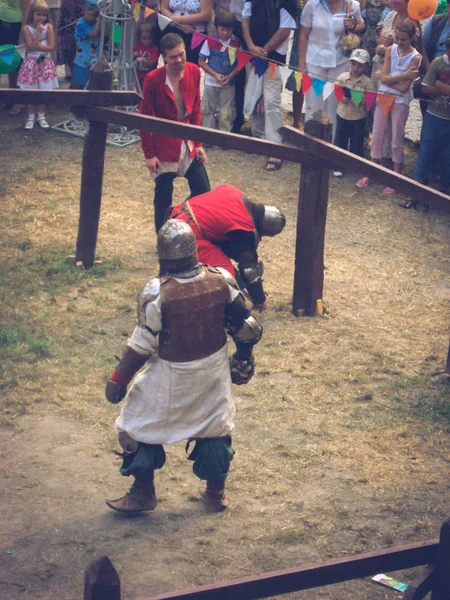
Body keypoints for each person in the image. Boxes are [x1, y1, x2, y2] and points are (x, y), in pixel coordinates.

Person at [105, 219, 262, 513]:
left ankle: (142, 493)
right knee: (215, 426)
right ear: (194, 251)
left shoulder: (158, 292)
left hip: (171, 376)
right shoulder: (221, 279)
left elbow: (143, 344)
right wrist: (243, 358)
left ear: (163, 256)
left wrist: (118, 379)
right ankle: (216, 493)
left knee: (134, 425)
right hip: (213, 374)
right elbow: (246, 325)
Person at [169, 184, 286, 310]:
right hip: (190, 232)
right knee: (226, 277)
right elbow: (248, 270)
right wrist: (259, 300)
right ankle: (225, 312)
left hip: (177, 214)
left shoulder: (235, 192)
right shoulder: (245, 228)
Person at [140, 33, 210, 233]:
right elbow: (145, 119)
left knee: (203, 191)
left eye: (181, 54)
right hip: (163, 143)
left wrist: (198, 144)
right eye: (173, 57)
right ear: (164, 57)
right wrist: (149, 154)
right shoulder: (153, 79)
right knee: (162, 195)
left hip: (187, 140)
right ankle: (163, 239)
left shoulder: (194, 71)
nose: (179, 60)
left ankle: (177, 216)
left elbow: (196, 109)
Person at [357, 19, 421, 193]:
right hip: (384, 96)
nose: (400, 43)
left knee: (396, 138)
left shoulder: (415, 57)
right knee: (377, 134)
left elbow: (404, 88)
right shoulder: (391, 49)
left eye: (404, 40)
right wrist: (401, 76)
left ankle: (395, 176)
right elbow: (383, 77)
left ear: (412, 38)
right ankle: (371, 171)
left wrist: (388, 80)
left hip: (400, 101)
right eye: (398, 38)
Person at [241, 0, 297, 171]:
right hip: (251, 52)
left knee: (271, 101)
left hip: (273, 57)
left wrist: (263, 51)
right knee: (254, 95)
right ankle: (258, 137)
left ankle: (275, 146)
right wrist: (251, 46)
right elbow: (245, 19)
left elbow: (285, 30)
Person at [299, 0, 365, 134]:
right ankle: (310, 141)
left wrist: (353, 26)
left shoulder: (352, 5)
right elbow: (303, 35)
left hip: (340, 60)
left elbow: (362, 25)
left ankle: (332, 144)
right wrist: (301, 64)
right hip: (314, 60)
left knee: (335, 105)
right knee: (313, 104)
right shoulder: (312, 5)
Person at [409, 33, 450, 207]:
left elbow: (430, 85)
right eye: (447, 47)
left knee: (446, 155)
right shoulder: (438, 62)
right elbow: (425, 87)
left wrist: (438, 85)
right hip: (433, 114)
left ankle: (442, 189)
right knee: (425, 149)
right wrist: (444, 87)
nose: (448, 50)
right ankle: (415, 187)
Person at [333, 48, 375, 176]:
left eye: (360, 65)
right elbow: (336, 89)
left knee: (357, 142)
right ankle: (338, 164)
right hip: (342, 114)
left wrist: (361, 100)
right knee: (340, 140)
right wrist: (341, 97)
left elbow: (371, 98)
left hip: (358, 117)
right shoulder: (342, 77)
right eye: (353, 64)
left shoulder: (367, 82)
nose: (356, 68)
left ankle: (356, 164)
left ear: (366, 67)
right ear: (349, 63)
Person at [17, 0, 58, 130]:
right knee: (31, 90)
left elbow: (50, 47)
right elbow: (30, 47)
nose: (41, 18)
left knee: (43, 90)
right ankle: (30, 116)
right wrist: (39, 34)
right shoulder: (26, 28)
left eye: (44, 15)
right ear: (32, 14)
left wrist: (34, 45)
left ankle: (41, 115)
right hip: (30, 64)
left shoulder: (49, 27)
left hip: (45, 63)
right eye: (38, 14)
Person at [198, 11, 240, 132]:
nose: (226, 33)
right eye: (222, 29)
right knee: (207, 109)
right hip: (211, 82)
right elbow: (201, 61)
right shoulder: (210, 41)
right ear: (217, 28)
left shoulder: (236, 42)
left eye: (229, 30)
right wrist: (215, 75)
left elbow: (240, 63)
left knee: (227, 110)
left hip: (228, 83)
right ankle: (207, 135)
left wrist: (230, 77)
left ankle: (225, 136)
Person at [0, 0, 32, 117]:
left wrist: (23, 33)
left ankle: (20, 99)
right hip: (3, 24)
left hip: (16, 26)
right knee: (8, 62)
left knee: (18, 63)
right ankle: (11, 97)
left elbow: (27, 10)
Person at [285, 0, 307, 131]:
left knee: (319, 83)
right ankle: (296, 120)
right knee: (298, 80)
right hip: (300, 36)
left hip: (320, 39)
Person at [71, 0, 100, 89]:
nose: (92, 17)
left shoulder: (96, 22)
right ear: (84, 11)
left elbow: (107, 33)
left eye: (94, 15)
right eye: (89, 14)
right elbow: (93, 33)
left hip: (94, 61)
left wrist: (103, 19)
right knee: (79, 85)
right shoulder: (80, 24)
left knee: (92, 85)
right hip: (82, 61)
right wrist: (99, 20)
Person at [56, 0, 84, 79]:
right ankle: (73, 77)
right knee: (71, 54)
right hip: (68, 31)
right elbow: (62, 18)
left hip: (84, 30)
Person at [133, 22, 159, 91]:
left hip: (149, 76)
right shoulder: (137, 47)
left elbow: (153, 63)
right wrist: (134, 55)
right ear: (139, 38)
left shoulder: (154, 49)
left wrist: (143, 60)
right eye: (144, 39)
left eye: (149, 39)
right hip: (138, 76)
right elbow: (131, 59)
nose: (147, 41)